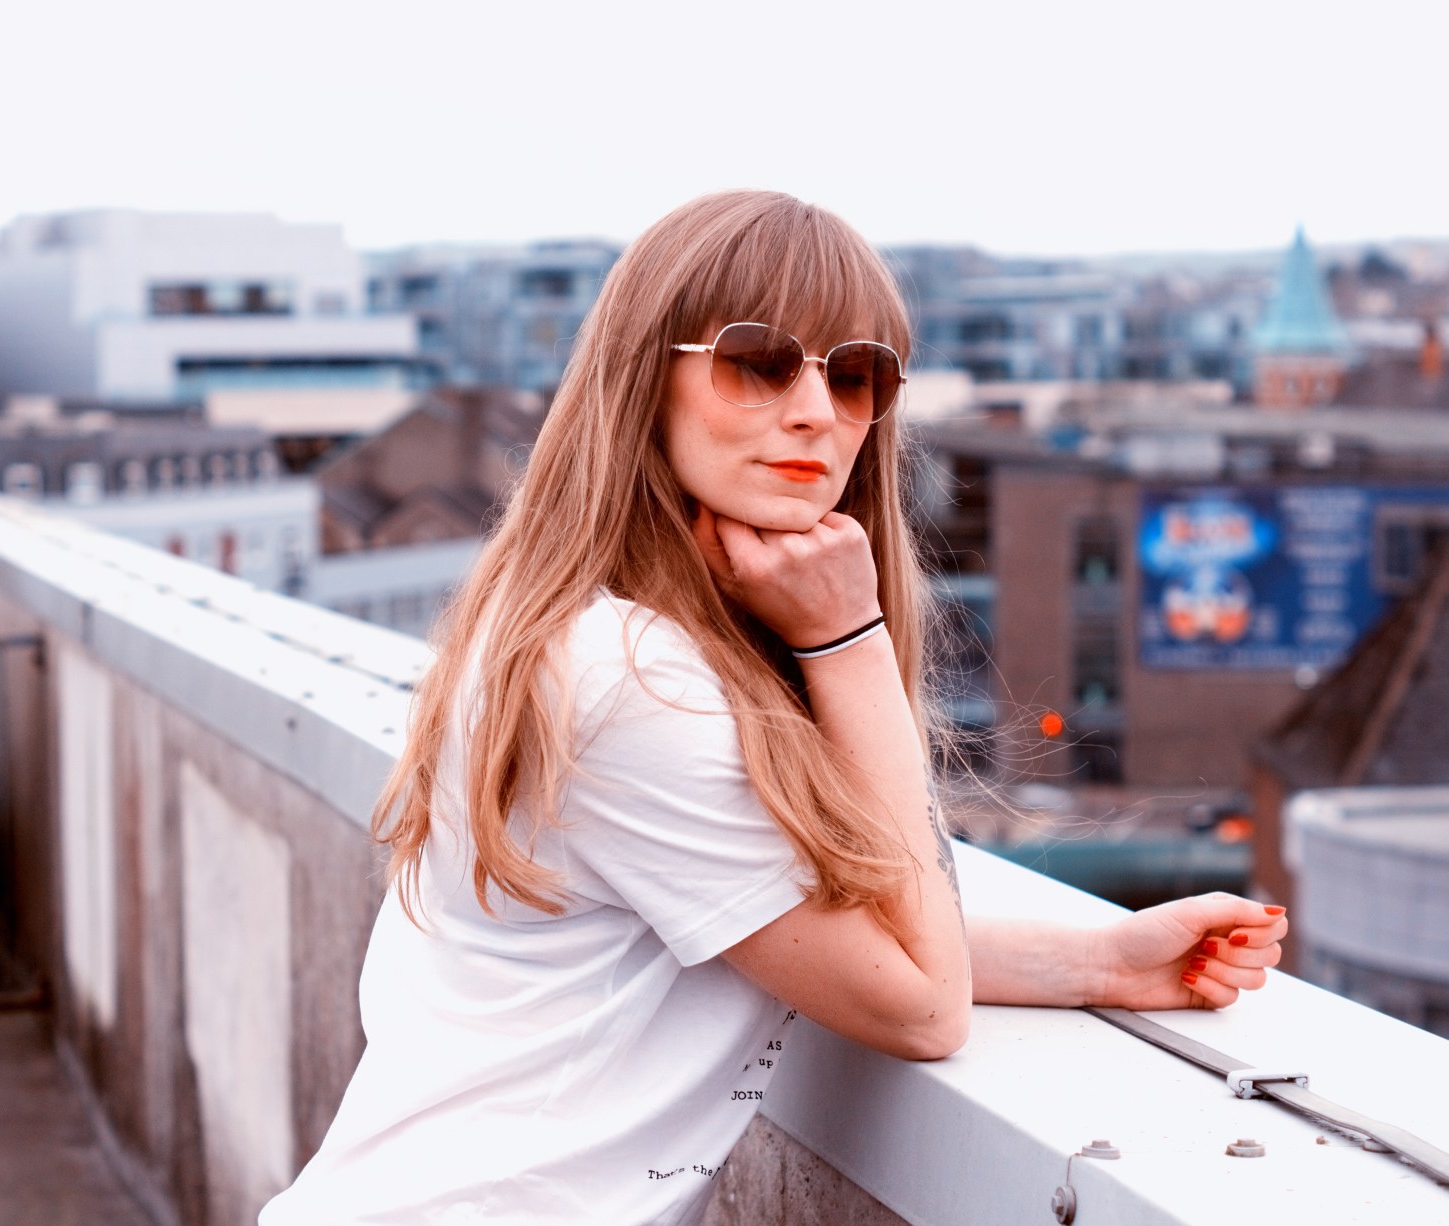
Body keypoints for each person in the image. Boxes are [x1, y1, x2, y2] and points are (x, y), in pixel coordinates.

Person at [259, 190, 1286, 1225]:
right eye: (758, 360)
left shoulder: (582, 628)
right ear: (645, 380)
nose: (815, 410)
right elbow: (920, 1006)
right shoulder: (628, 680)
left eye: (856, 374)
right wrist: (848, 640)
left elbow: (807, 924)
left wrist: (1106, 960)